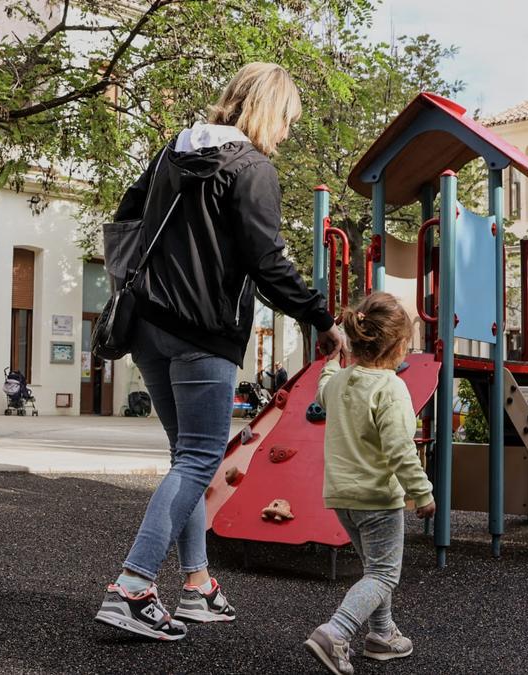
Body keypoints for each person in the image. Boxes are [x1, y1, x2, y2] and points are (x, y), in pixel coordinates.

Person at [94, 62, 343, 641]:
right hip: (204, 333)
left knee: (187, 456)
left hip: (149, 325)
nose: (285, 134)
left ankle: (199, 585)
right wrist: (319, 316)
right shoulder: (251, 168)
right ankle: (132, 588)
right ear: (267, 110)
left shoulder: (169, 154)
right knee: (200, 459)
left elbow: (127, 219)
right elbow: (267, 261)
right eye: (287, 121)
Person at [303, 292, 435, 674]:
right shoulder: (391, 389)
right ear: (397, 346)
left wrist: (331, 364)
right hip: (378, 498)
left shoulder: (341, 381)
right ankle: (336, 632)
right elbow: (399, 450)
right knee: (383, 573)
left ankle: (382, 635)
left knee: (374, 568)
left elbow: (323, 391)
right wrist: (421, 493)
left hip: (342, 497)